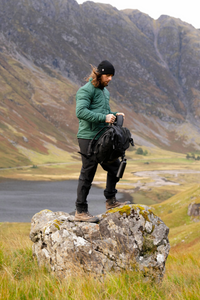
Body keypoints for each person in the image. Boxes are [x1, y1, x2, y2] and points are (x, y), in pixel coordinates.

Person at [75, 60, 127, 223]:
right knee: (88, 173)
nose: (110, 79)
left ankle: (111, 201)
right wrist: (104, 118)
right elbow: (81, 112)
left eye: (112, 76)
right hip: (88, 137)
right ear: (99, 74)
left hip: (102, 137)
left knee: (115, 167)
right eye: (108, 75)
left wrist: (114, 114)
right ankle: (80, 211)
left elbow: (103, 111)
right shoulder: (86, 90)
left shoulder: (105, 92)